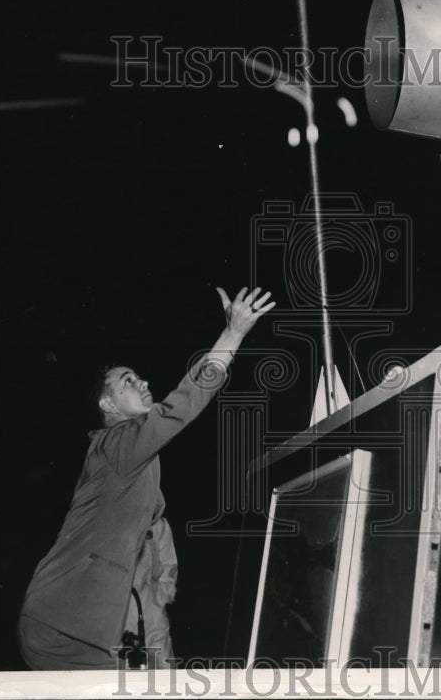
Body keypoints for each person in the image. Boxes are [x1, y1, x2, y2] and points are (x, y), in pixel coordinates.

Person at [18, 286, 275, 671]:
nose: (142, 383)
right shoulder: (114, 444)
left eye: (139, 376)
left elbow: (147, 560)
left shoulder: (137, 469)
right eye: (127, 381)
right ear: (107, 406)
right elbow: (179, 408)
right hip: (64, 627)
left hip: (86, 625)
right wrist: (232, 335)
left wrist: (162, 613)